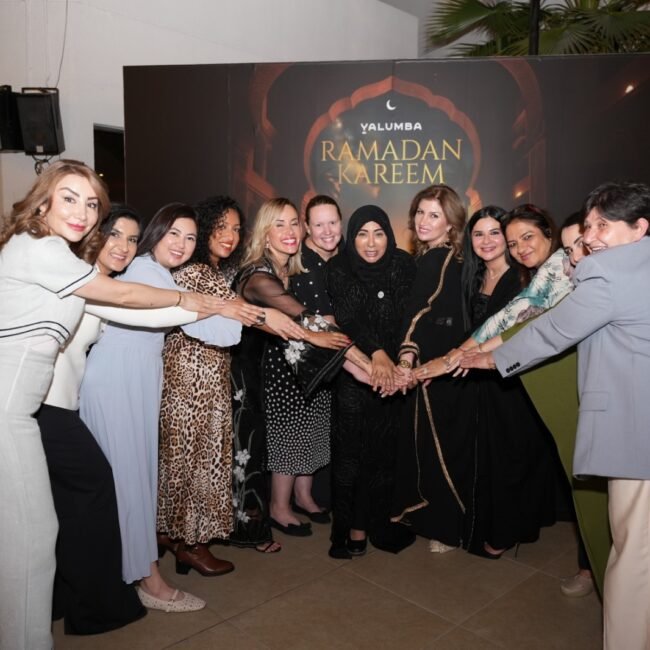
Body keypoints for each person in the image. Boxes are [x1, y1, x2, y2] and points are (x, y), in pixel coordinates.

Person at [0, 161, 223, 650]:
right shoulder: (39, 249)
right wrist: (206, 302)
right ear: (42, 201)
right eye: (69, 198)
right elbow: (123, 295)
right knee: (35, 534)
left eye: (90, 203)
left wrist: (209, 309)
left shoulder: (63, 263)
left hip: (35, 410)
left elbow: (129, 308)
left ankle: (65, 612)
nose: (81, 212)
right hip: (15, 410)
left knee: (41, 529)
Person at [460, 181, 650, 649]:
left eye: (603, 225)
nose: (591, 236)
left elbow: (551, 331)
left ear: (639, 227)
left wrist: (486, 359)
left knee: (634, 553)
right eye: (588, 226)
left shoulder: (607, 272)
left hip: (636, 431)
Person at [80, 203, 264, 612]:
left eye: (190, 237)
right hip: (117, 379)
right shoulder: (145, 270)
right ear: (157, 233)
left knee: (135, 482)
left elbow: (213, 326)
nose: (181, 244)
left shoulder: (160, 273)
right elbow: (185, 317)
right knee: (130, 484)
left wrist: (225, 308)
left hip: (139, 378)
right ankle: (149, 580)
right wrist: (223, 305)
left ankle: (131, 572)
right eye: (173, 233)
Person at [157, 196, 301, 568]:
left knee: (194, 461)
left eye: (236, 229)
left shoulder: (216, 270)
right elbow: (236, 320)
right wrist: (275, 319)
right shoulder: (197, 271)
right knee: (194, 461)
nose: (230, 236)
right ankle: (189, 544)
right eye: (221, 227)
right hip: (193, 378)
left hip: (208, 374)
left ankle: (175, 536)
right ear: (206, 227)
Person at [234, 198, 369, 538]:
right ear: (264, 233)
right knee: (289, 437)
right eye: (279, 224)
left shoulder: (291, 267)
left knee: (311, 431)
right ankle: (279, 507)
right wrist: (363, 363)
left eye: (293, 222)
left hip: (302, 364)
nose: (290, 231)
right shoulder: (258, 274)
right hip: (269, 372)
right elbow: (305, 318)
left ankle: (303, 496)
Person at [454, 206, 557, 558]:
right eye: (478, 234)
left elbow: (518, 331)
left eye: (495, 233)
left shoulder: (523, 278)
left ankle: (508, 530)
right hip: (479, 380)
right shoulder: (472, 277)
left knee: (513, 455)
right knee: (488, 456)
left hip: (514, 378)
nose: (487, 241)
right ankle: (492, 523)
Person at [325, 204, 417, 558]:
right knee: (350, 456)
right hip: (355, 372)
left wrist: (400, 363)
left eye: (379, 233)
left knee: (383, 455)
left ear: (389, 235)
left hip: (395, 376)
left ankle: (376, 522)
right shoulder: (339, 266)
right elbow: (347, 316)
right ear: (352, 237)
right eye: (363, 234)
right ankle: (348, 530)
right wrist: (377, 353)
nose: (371, 242)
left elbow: (412, 317)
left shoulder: (403, 264)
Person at [390, 184, 470, 553]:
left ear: (451, 223)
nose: (423, 221)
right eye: (420, 213)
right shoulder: (443, 258)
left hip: (435, 367)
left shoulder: (439, 258)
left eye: (434, 215)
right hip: (440, 363)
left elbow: (419, 314)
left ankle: (448, 528)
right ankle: (439, 520)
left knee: (441, 446)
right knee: (435, 444)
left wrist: (406, 358)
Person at [290, 195, 344, 518]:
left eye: (332, 223)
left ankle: (307, 495)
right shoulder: (303, 262)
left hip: (333, 359)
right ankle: (298, 499)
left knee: (317, 431)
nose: (327, 231)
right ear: (307, 227)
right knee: (301, 432)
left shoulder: (344, 256)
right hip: (306, 361)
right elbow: (324, 321)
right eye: (319, 224)